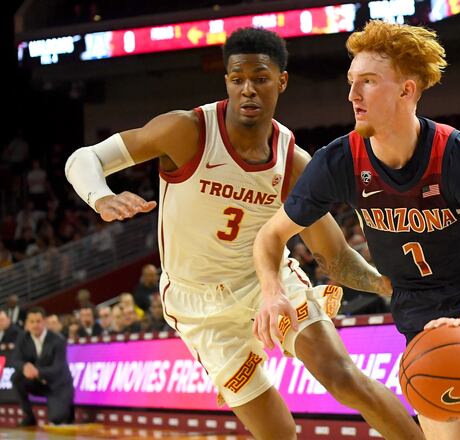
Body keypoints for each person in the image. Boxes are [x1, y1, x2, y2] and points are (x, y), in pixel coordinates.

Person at [65, 27, 422, 440]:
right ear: (227, 82)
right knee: (277, 432)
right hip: (197, 304)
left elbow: (335, 256)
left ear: (281, 81)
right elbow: (85, 158)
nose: (248, 89)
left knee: (343, 377)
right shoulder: (186, 131)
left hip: (267, 283)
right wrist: (99, 197)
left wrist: (388, 285)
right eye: (238, 80)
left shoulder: (292, 162)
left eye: (260, 78)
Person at [254, 21, 460, 439]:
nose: (352, 95)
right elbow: (270, 236)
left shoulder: (455, 154)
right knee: (457, 436)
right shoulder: (340, 161)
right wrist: (272, 292)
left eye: (367, 82)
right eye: (351, 82)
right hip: (419, 308)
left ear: (407, 90)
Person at [10, 307, 74, 426]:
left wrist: (37, 371)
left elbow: (58, 368)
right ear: (27, 323)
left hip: (58, 385)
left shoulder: (57, 340)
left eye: (38, 321)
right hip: (38, 383)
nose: (35, 325)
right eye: (32, 321)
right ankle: (28, 415)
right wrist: (25, 367)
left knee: (56, 419)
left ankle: (67, 410)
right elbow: (14, 359)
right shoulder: (23, 337)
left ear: (44, 322)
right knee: (16, 377)